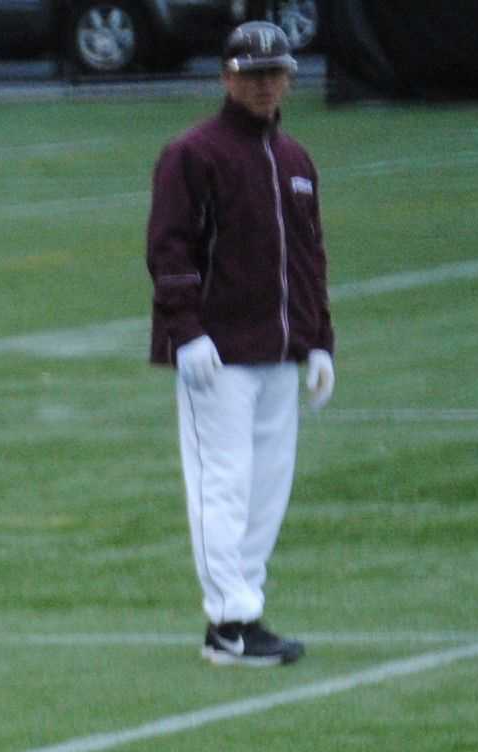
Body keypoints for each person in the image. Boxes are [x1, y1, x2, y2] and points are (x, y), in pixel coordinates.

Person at [149, 19, 334, 668]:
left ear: (289, 77)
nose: (265, 85)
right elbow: (169, 248)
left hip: (280, 350)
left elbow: (310, 259)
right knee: (222, 484)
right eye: (252, 74)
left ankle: (244, 610)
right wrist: (187, 331)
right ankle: (229, 620)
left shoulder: (296, 160)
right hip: (218, 355)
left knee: (266, 488)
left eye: (275, 73)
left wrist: (319, 343)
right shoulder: (193, 154)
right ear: (228, 77)